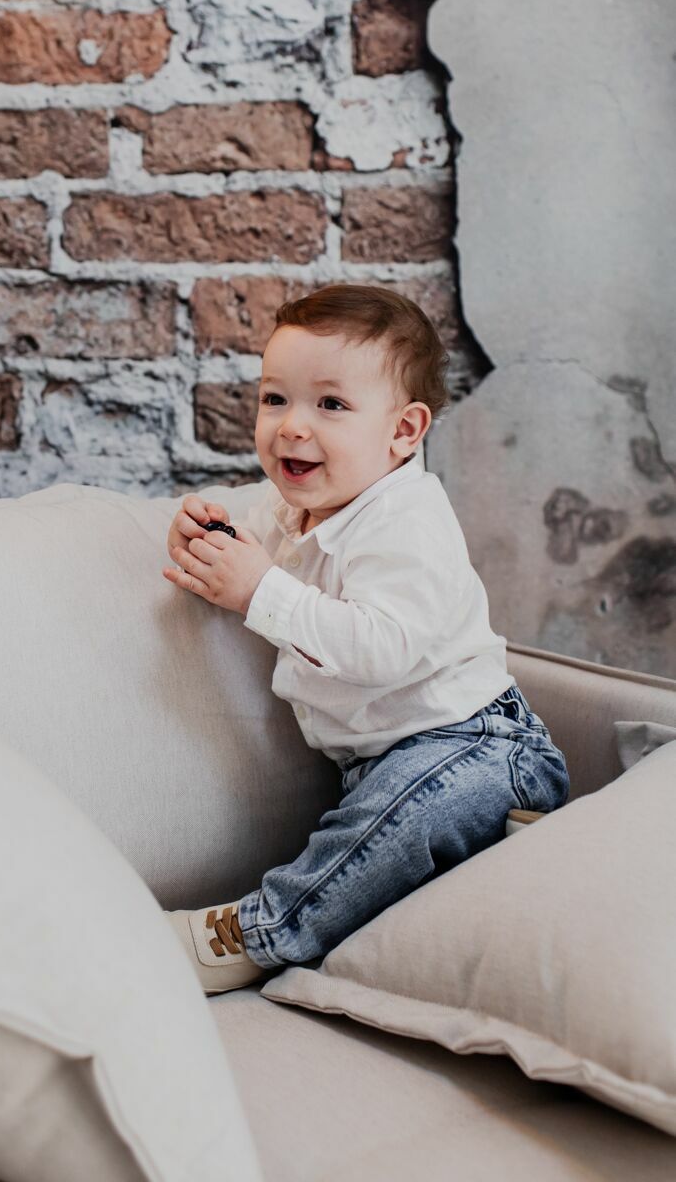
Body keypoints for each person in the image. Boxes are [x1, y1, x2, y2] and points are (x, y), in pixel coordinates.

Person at [163, 283, 570, 993]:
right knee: (372, 831)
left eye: (330, 405)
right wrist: (207, 539)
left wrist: (259, 590)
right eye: (274, 399)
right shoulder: (295, 509)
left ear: (404, 432)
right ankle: (499, 868)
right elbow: (250, 547)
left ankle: (256, 933)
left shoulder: (404, 519)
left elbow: (383, 648)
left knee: (404, 815)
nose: (291, 427)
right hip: (377, 768)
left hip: (475, 747)